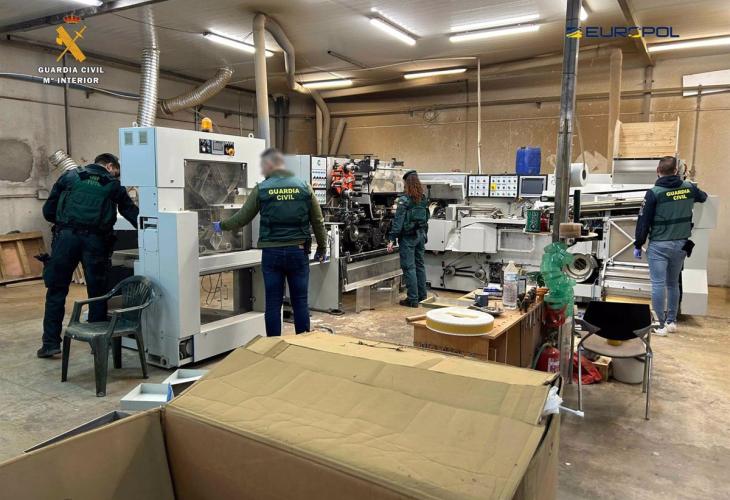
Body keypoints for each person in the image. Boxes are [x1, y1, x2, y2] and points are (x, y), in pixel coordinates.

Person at [213, 148, 327, 336]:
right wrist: (322, 247)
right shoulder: (304, 187)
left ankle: (273, 345)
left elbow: (242, 218)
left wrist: (220, 226)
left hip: (272, 254)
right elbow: (318, 220)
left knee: (273, 303)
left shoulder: (262, 189)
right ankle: (304, 344)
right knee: (300, 301)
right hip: (298, 252)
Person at [38, 153, 139, 358]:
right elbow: (132, 215)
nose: (117, 176)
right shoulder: (113, 185)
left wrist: (66, 223)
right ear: (109, 166)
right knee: (97, 293)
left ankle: (50, 344)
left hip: (66, 238)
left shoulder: (69, 176)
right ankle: (98, 343)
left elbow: (48, 211)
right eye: (117, 171)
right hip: (96, 241)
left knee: (56, 290)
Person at [634, 156, 708, 336]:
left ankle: (660, 325)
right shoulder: (689, 188)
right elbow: (704, 197)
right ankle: (671, 321)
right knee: (673, 283)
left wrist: (638, 243)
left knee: (658, 284)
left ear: (658, 171)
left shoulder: (654, 193)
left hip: (659, 246)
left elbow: (643, 221)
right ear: (676, 171)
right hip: (681, 245)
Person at [387, 170, 430, 307]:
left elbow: (398, 222)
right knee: (420, 266)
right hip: (421, 235)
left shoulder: (404, 200)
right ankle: (422, 296)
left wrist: (391, 239)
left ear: (406, 183)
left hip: (408, 238)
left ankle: (412, 299)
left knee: (409, 267)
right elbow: (427, 218)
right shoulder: (423, 198)